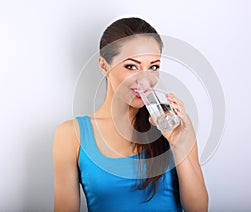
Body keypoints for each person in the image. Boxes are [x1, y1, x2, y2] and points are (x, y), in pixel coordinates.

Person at [53, 17, 208, 212]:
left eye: (153, 67)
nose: (145, 79)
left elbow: (199, 209)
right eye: (131, 66)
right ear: (104, 66)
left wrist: (179, 146)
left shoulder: (175, 125)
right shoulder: (71, 135)